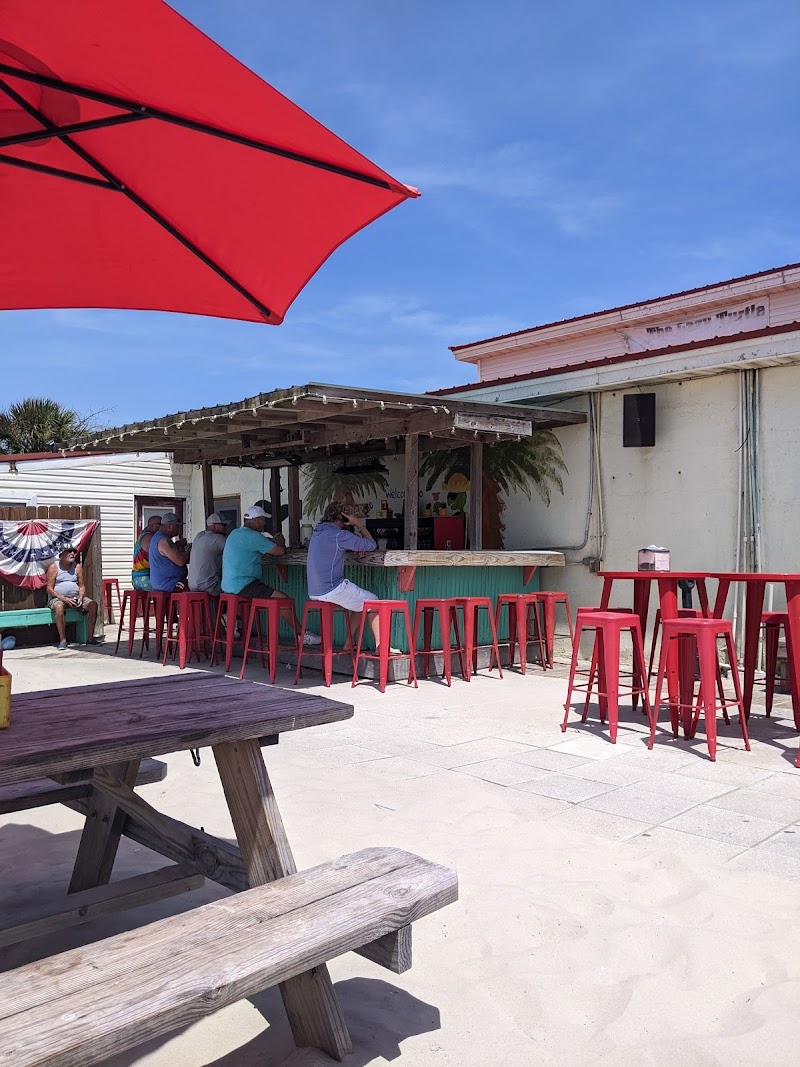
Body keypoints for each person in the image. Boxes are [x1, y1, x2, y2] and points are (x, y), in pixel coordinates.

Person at [222, 505, 320, 645]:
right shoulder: (253, 536)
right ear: (255, 520)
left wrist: (271, 543)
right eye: (262, 519)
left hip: (228, 585)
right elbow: (279, 551)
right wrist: (280, 543)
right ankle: (302, 634)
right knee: (284, 599)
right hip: (243, 584)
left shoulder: (235, 533)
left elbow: (260, 547)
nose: (265, 522)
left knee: (272, 596)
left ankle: (232, 619)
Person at [307, 501, 388, 652]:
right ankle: (381, 648)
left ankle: (349, 643)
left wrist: (355, 545)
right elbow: (371, 544)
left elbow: (345, 545)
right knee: (374, 601)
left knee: (359, 602)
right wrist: (358, 523)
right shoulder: (339, 535)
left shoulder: (318, 531)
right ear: (344, 518)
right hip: (330, 589)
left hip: (314, 591)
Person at [45, 546, 100, 650]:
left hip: (75, 597)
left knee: (93, 605)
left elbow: (82, 586)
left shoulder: (77, 567)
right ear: (61, 555)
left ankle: (90, 638)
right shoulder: (54, 567)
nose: (72, 554)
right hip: (58, 598)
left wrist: (80, 597)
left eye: (73, 552)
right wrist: (64, 598)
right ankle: (63, 640)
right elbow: (49, 589)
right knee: (59, 607)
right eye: (69, 552)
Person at [187, 513, 227, 597]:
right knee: (233, 590)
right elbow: (234, 552)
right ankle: (223, 610)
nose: (226, 527)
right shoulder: (219, 538)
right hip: (208, 585)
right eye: (223, 525)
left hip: (192, 585)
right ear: (215, 526)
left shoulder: (199, 536)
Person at [149, 511, 189, 593]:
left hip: (166, 582)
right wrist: (191, 551)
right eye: (177, 527)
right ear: (170, 526)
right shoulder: (163, 541)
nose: (179, 530)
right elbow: (180, 561)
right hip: (169, 583)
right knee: (197, 589)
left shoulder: (158, 538)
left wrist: (177, 545)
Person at [131, 514, 161, 590]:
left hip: (139, 577)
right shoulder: (148, 537)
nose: (162, 527)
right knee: (164, 587)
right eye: (160, 524)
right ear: (152, 525)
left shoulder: (144, 535)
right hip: (143, 578)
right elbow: (155, 553)